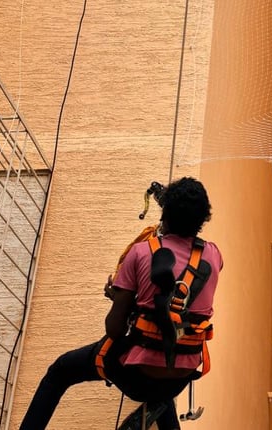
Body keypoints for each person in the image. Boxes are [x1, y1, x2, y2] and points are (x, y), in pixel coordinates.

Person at [18, 177, 222, 430]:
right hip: (183, 374)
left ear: (164, 213)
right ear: (202, 220)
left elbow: (113, 329)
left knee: (60, 371)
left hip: (135, 376)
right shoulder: (214, 255)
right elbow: (184, 303)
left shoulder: (140, 252)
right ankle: (157, 401)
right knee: (163, 374)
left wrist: (119, 298)